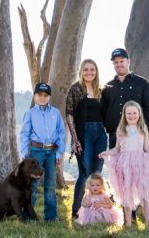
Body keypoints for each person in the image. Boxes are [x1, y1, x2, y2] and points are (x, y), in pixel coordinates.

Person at [101, 47, 149, 223]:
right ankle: (131, 218)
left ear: (128, 61)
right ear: (113, 64)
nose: (119, 64)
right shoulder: (107, 87)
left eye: (122, 61)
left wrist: (142, 128)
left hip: (138, 139)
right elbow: (104, 111)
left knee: (145, 177)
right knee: (123, 179)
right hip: (117, 136)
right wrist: (111, 128)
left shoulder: (141, 83)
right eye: (116, 62)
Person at [99, 101, 149, 227]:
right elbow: (117, 149)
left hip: (141, 163)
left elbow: (147, 148)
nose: (132, 116)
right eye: (129, 113)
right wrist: (106, 152)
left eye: (134, 113)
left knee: (145, 194)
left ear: (139, 114)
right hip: (125, 164)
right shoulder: (121, 129)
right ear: (124, 114)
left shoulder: (143, 128)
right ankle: (128, 223)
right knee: (127, 193)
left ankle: (148, 223)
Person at [65, 58, 108, 220]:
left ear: (96, 72)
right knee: (85, 172)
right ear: (81, 71)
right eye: (86, 69)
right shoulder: (75, 89)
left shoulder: (101, 91)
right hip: (84, 134)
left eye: (92, 69)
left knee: (96, 173)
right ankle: (76, 211)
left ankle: (93, 212)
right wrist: (75, 140)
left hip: (100, 135)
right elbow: (69, 114)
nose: (89, 72)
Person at [19, 82, 65, 222]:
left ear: (49, 97)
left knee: (50, 185)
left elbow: (61, 134)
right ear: (34, 96)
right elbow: (24, 134)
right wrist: (24, 154)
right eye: (39, 95)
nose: (42, 98)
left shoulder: (55, 113)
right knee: (32, 184)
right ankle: (28, 216)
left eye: (45, 95)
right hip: (35, 152)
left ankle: (51, 217)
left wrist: (59, 154)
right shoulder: (30, 113)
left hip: (51, 152)